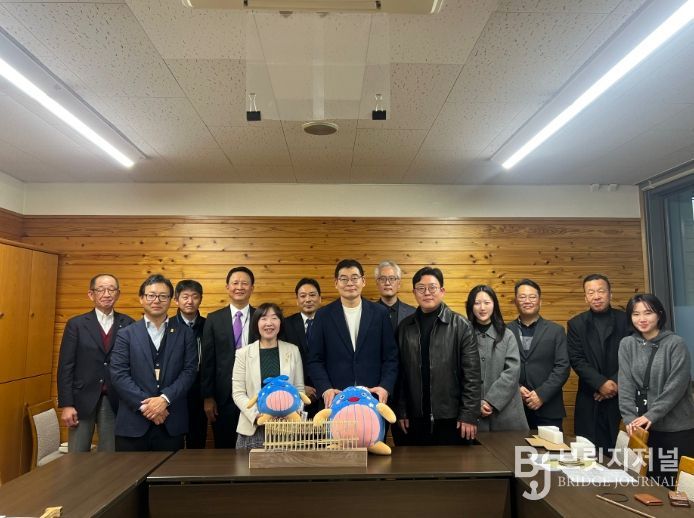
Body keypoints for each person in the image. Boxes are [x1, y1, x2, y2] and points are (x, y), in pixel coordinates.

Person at [110, 274, 197, 451]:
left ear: (171, 300)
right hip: (133, 423)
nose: (156, 300)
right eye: (151, 295)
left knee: (170, 470)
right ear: (141, 299)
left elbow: (189, 371)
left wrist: (164, 399)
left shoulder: (185, 334)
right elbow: (119, 374)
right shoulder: (126, 334)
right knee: (129, 470)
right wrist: (148, 406)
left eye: (163, 296)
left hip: (171, 421)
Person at [395, 266, 481, 445]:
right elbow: (400, 374)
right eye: (421, 288)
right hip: (414, 417)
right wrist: (401, 410)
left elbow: (472, 376)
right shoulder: (404, 327)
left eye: (432, 287)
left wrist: (469, 414)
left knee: (454, 462)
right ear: (414, 292)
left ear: (442, 291)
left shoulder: (461, 326)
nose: (427, 293)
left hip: (452, 418)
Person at [619, 293, 694, 487]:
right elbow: (625, 384)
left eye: (648, 313)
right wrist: (629, 418)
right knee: (645, 487)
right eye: (636, 314)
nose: (642, 319)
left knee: (675, 489)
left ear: (659, 314)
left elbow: (676, 386)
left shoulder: (675, 343)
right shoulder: (627, 344)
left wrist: (652, 415)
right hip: (642, 431)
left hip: (676, 429)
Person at [57, 273, 134, 452]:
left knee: (110, 456)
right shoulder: (76, 324)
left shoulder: (129, 324)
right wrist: (67, 404)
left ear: (118, 294)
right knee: (77, 456)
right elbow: (65, 367)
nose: (107, 294)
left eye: (111, 290)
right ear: (91, 294)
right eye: (101, 290)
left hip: (114, 399)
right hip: (81, 400)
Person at [307, 259, 398, 409]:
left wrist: (385, 387)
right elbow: (315, 360)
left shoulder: (380, 313)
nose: (350, 283)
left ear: (363, 281)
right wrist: (325, 389)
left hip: (373, 398)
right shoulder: (323, 315)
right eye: (344, 279)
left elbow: (391, 357)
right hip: (336, 398)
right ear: (336, 283)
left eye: (355, 278)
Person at [568, 273, 629, 452]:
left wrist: (614, 383)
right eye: (591, 292)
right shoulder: (576, 324)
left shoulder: (626, 320)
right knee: (589, 453)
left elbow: (633, 358)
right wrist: (600, 384)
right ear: (585, 297)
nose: (596, 296)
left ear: (610, 294)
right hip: (590, 396)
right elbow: (576, 359)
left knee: (623, 454)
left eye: (601, 291)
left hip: (622, 397)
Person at [232, 303, 305, 449]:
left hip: (286, 428)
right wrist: (257, 415)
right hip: (253, 429)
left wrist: (292, 411)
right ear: (256, 323)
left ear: (280, 323)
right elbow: (238, 393)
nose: (269, 323)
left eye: (274, 318)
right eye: (264, 318)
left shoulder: (293, 351)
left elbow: (299, 389)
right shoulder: (243, 354)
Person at [201, 266, 258, 448]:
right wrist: (208, 397)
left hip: (255, 395)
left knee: (255, 446)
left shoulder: (261, 317)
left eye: (244, 283)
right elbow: (207, 361)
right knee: (224, 448)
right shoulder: (214, 319)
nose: (239, 287)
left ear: (252, 288)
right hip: (223, 397)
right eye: (235, 283)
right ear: (227, 287)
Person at [507, 279, 570, 430]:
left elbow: (562, 367)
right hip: (514, 408)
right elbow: (500, 366)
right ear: (515, 301)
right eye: (522, 297)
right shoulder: (505, 331)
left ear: (540, 301)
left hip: (549, 408)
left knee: (549, 447)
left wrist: (541, 394)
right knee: (513, 446)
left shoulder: (556, 330)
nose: (527, 301)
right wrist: (516, 388)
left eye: (532, 297)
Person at [466, 285, 528, 432]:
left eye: (487, 303)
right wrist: (476, 403)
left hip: (507, 414)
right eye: (477, 303)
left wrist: (490, 401)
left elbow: (512, 373)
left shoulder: (507, 335)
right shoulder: (464, 335)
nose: (482, 308)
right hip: (473, 414)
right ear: (470, 306)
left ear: (494, 305)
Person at [280, 278, 322, 417]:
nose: (308, 299)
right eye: (303, 296)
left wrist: (322, 386)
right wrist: (299, 387)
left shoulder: (330, 322)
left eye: (312, 295)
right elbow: (282, 361)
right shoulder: (286, 325)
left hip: (325, 393)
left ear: (320, 298)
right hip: (294, 395)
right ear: (297, 301)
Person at [173, 279, 207, 449]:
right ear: (176, 300)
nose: (190, 301)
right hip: (174, 391)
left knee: (197, 440)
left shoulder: (208, 325)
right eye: (185, 297)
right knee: (174, 440)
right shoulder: (168, 325)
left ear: (200, 299)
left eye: (195, 297)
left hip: (200, 391)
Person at [374, 260, 415, 332]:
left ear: (399, 283)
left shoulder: (412, 313)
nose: (387, 283)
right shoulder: (367, 313)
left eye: (392, 278)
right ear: (377, 283)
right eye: (383, 279)